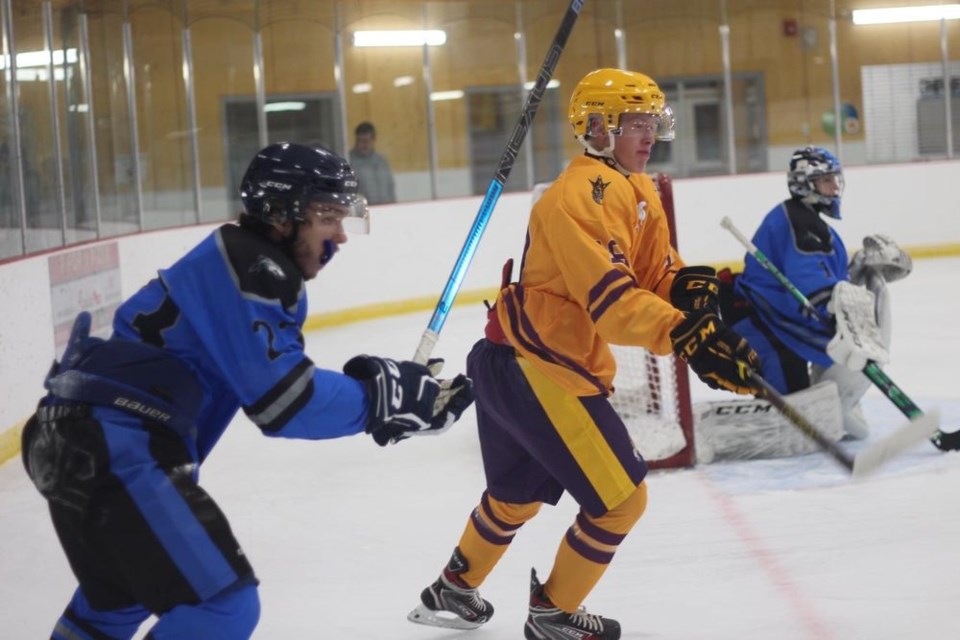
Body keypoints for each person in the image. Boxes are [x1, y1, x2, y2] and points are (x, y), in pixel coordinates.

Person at [20, 142, 474, 640]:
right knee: (222, 606)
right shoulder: (255, 266)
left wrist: (386, 401)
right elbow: (285, 403)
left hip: (84, 436)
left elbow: (277, 388)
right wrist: (385, 399)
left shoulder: (239, 262)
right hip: (112, 444)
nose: (341, 235)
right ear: (281, 214)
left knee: (114, 606)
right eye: (328, 216)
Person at [407, 68, 761, 640]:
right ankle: (553, 612)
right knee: (622, 500)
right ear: (597, 127)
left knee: (513, 497)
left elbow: (651, 274)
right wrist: (689, 337)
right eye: (635, 123)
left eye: (653, 123)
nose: (648, 135)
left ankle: (453, 587)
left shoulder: (633, 187)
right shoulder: (579, 195)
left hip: (510, 358)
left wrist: (702, 291)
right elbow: (616, 304)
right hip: (538, 368)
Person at [726, 146, 913, 441]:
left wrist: (858, 268)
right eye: (826, 180)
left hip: (779, 318)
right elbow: (811, 282)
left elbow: (826, 278)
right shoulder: (799, 222)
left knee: (818, 401)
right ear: (804, 183)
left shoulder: (807, 220)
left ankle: (824, 403)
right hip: (761, 322)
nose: (834, 187)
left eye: (835, 179)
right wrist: (835, 305)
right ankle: (745, 427)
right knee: (792, 419)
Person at [348, 121, 396, 205]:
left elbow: (390, 187)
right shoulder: (349, 161)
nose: (363, 145)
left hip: (386, 209)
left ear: (373, 140)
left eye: (367, 141)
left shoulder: (382, 161)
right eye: (360, 141)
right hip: (364, 212)